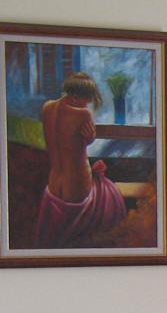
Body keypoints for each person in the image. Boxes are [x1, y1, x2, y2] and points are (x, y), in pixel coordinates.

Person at [34, 72, 126, 247]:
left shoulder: (47, 108)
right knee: (110, 194)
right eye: (87, 98)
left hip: (53, 186)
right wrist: (90, 139)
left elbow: (65, 142)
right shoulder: (83, 114)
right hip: (76, 187)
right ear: (75, 96)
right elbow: (83, 143)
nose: (89, 102)